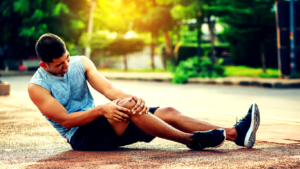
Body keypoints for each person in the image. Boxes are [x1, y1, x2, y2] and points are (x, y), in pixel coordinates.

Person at [28, 33, 260, 151]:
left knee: (166, 110)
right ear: (44, 65)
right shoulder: (37, 87)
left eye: (67, 58)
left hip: (107, 122)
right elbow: (67, 121)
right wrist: (101, 110)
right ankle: (190, 140)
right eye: (59, 65)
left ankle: (235, 134)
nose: (66, 66)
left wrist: (133, 99)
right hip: (82, 136)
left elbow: (109, 89)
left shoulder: (81, 62)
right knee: (126, 107)